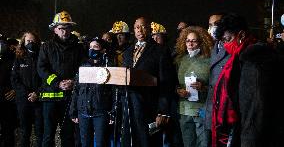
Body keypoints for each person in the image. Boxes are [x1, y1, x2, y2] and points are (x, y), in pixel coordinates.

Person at [121, 16, 178, 147]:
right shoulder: (127, 52)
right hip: (129, 106)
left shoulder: (160, 50)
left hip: (150, 106)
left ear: (149, 29)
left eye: (142, 26)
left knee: (148, 141)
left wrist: (163, 111)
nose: (139, 30)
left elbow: (166, 83)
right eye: (136, 27)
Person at [37, 11, 86, 147]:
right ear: (55, 29)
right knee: (48, 135)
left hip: (69, 98)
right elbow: (42, 69)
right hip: (50, 99)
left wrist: (74, 81)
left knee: (68, 135)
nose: (65, 31)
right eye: (61, 28)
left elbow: (83, 69)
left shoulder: (78, 48)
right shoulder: (46, 46)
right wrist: (57, 83)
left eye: (68, 27)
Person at [211, 13, 257, 147]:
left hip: (247, 130)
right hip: (234, 127)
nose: (225, 45)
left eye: (228, 39)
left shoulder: (255, 60)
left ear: (241, 35)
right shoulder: (236, 58)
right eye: (223, 41)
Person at [70, 37, 113, 147]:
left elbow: (113, 92)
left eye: (95, 47)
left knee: (101, 143)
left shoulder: (108, 68)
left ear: (102, 50)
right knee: (85, 144)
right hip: (83, 112)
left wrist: (113, 112)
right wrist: (73, 111)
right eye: (90, 47)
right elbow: (76, 90)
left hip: (100, 113)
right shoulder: (83, 67)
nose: (92, 49)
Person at [175, 26, 213, 147]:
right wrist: (178, 90)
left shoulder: (209, 60)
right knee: (188, 144)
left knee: (203, 144)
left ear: (201, 42)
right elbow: (174, 83)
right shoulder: (180, 60)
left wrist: (203, 87)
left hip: (201, 110)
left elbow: (215, 86)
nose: (190, 43)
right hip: (184, 110)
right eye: (187, 40)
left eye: (194, 40)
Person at [11, 31, 43, 147]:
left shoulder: (42, 57)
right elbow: (15, 79)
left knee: (40, 132)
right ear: (23, 42)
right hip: (23, 101)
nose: (31, 43)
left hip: (39, 100)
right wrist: (27, 94)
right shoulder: (19, 59)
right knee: (25, 132)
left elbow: (45, 79)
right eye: (28, 41)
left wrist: (37, 93)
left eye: (33, 41)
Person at [204, 13, 227, 147]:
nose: (213, 28)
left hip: (223, 109)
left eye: (216, 24)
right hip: (210, 108)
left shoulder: (230, 48)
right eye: (210, 25)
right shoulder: (213, 48)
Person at [0, 33, 17, 147]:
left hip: (7, 100)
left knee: (8, 131)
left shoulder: (13, 58)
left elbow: (20, 77)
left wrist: (15, 90)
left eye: (2, 42)